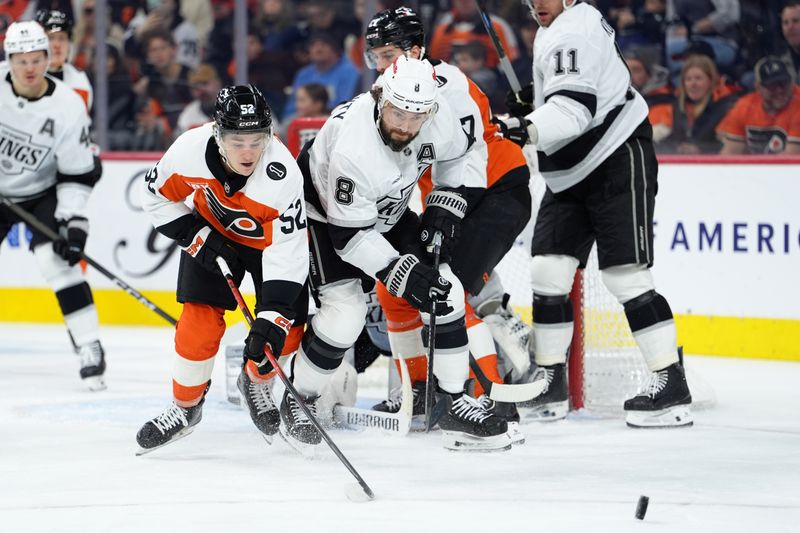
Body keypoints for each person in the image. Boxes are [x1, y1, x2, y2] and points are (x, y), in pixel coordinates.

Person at [293, 56, 510, 452]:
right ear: (380, 99)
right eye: (397, 114)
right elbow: (350, 238)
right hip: (325, 218)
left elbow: (461, 152)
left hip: (387, 208)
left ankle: (452, 403)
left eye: (416, 117)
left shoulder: (437, 114)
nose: (406, 127)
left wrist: (445, 200)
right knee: (345, 317)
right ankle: (300, 398)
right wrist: (402, 273)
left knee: (446, 290)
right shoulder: (354, 147)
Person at [497, 0, 693, 428]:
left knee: (626, 276)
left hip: (616, 155)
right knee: (548, 271)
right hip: (570, 171)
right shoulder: (560, 24)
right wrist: (536, 101)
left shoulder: (573, 30)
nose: (536, 3)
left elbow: (574, 110)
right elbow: (577, 88)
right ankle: (551, 382)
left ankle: (671, 383)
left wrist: (525, 127)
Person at [362, 7, 533, 441]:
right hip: (452, 200)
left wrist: (446, 210)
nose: (380, 65)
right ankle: (419, 392)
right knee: (397, 288)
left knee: (446, 290)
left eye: (388, 55)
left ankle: (487, 399)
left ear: (416, 50)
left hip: (492, 194)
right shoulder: (390, 89)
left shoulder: (446, 83)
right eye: (375, 57)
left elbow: (468, 156)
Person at [136, 85, 309, 453]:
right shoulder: (188, 151)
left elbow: (289, 252)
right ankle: (185, 408)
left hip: (269, 249)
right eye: (237, 141)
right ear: (218, 135)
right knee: (197, 323)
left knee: (286, 331)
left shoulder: (283, 176)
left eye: (256, 141)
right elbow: (155, 197)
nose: (248, 152)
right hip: (212, 234)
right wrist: (197, 237)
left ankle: (256, 382)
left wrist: (272, 317)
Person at [0, 21, 105, 390]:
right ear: (9, 60)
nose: (29, 68)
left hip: (41, 191)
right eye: (20, 60)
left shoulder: (68, 106)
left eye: (36, 59)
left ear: (48, 59)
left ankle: (89, 345)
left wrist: (73, 221)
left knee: (56, 260)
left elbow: (77, 173)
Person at [656, 54, 739, 154]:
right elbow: (674, 139)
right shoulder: (677, 106)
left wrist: (700, 149)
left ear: (710, 81)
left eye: (698, 78)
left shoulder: (724, 107)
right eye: (688, 79)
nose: (693, 84)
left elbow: (728, 145)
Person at [717, 56, 800, 154]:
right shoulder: (745, 106)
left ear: (791, 82)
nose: (779, 90)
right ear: (758, 87)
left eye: (783, 83)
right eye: (772, 85)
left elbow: (792, 156)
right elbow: (730, 152)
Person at [34, 9, 93, 111]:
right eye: (50, 38)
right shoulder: (24, 76)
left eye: (61, 38)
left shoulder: (79, 80)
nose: (57, 45)